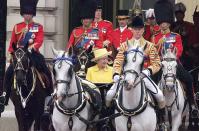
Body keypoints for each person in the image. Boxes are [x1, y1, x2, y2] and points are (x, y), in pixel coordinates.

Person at [106, 16, 166, 125]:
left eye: (140, 29)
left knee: (160, 96)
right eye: (135, 29)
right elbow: (118, 61)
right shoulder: (125, 45)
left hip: (143, 76)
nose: (137, 32)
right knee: (109, 95)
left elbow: (157, 63)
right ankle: (109, 121)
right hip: (126, 76)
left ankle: (161, 122)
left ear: (143, 30)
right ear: (131, 30)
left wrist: (148, 71)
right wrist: (115, 73)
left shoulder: (149, 45)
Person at [0, 0, 53, 112]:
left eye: (29, 13)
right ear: (23, 14)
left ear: (32, 14)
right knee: (9, 72)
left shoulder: (38, 27)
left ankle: (50, 94)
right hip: (19, 54)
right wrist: (11, 53)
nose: (27, 15)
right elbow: (12, 43)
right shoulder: (17, 27)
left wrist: (31, 47)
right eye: (25, 13)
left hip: (33, 54)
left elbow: (39, 41)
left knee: (45, 70)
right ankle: (5, 94)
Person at [153, 0, 198, 115]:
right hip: (160, 65)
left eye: (165, 22)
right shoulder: (155, 37)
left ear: (169, 22)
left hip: (174, 64)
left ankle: (192, 105)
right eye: (161, 22)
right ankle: (152, 104)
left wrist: (171, 59)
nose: (163, 24)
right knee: (151, 82)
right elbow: (153, 53)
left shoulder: (175, 36)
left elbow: (180, 49)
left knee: (188, 78)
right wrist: (159, 44)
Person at [171, 2, 195, 70]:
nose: (179, 16)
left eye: (180, 14)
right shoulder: (171, 26)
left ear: (183, 15)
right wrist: (175, 29)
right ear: (175, 15)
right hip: (174, 52)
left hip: (187, 53)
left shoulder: (189, 25)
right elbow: (168, 36)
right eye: (177, 14)